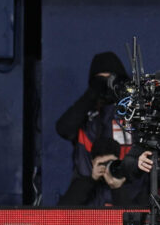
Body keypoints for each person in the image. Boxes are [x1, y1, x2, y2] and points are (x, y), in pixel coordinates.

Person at [55, 52, 132, 181]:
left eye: (111, 80)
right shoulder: (86, 117)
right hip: (93, 192)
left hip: (130, 195)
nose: (107, 86)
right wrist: (93, 93)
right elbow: (64, 128)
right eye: (101, 81)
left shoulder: (136, 114)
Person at [56, 137, 131, 206]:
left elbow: (132, 216)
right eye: (102, 164)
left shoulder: (130, 183)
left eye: (110, 162)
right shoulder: (82, 185)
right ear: (93, 163)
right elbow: (62, 211)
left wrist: (117, 188)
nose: (106, 167)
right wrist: (92, 179)